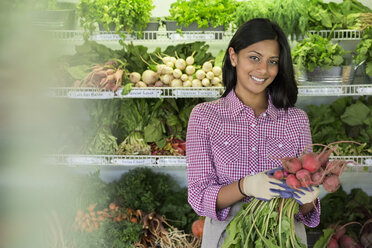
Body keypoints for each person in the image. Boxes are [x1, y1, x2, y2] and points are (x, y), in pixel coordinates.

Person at [186, 18, 320, 248]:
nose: (263, 70)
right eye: (254, 57)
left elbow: (304, 211)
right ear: (233, 56)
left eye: (273, 61)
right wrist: (244, 186)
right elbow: (199, 197)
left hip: (283, 238)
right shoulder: (204, 116)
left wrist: (309, 199)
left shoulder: (296, 120)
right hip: (227, 239)